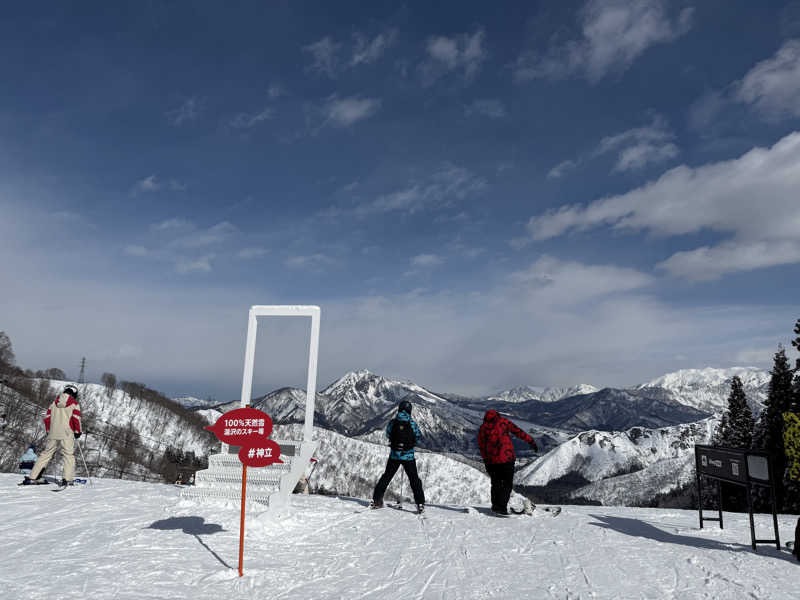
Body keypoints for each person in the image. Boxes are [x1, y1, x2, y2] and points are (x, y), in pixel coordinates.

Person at [478, 409, 537, 516]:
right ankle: (501, 508)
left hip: (491, 462)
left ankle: (496, 506)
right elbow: (518, 431)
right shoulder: (503, 422)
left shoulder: (483, 428)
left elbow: (482, 446)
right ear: (497, 416)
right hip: (506, 459)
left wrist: (485, 460)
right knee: (506, 484)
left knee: (495, 484)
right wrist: (530, 441)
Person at [370, 399, 426, 514]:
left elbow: (387, 434)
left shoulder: (393, 422)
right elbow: (418, 436)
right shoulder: (412, 423)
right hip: (408, 456)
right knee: (414, 479)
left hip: (394, 455)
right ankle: (420, 503)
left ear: (399, 409)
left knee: (386, 477)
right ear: (409, 411)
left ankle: (377, 500)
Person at [21, 383, 82, 486]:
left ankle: (33, 477)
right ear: (74, 393)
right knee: (68, 456)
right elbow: (76, 419)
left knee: (46, 454)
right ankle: (67, 480)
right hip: (67, 433)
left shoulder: (53, 403)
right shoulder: (74, 404)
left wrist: (49, 430)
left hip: (53, 433)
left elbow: (47, 417)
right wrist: (77, 432)